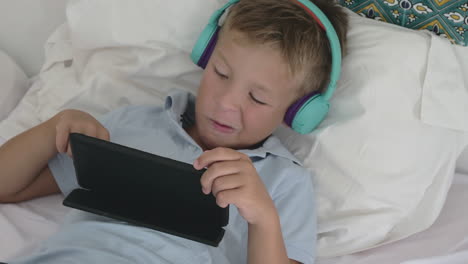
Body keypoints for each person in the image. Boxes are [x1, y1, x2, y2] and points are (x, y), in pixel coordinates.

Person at [0, 0, 348, 263]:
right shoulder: (133, 123)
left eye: (257, 98)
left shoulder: (282, 181)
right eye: (221, 74)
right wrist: (51, 131)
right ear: (205, 56)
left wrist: (264, 220)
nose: (226, 102)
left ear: (298, 111)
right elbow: (9, 187)